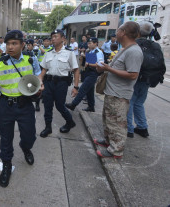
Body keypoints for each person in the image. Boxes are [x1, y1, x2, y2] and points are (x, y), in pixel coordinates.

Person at [0, 30, 43, 188]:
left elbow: (38, 75)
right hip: (6, 105)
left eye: (14, 43)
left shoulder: (30, 59)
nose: (10, 47)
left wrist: (40, 85)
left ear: (22, 45)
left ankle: (25, 147)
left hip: (25, 104)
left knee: (29, 135)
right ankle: (6, 165)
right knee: (5, 139)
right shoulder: (0, 62)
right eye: (8, 44)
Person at [94, 21, 143, 158]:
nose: (116, 33)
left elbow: (133, 75)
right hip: (112, 92)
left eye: (118, 30)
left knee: (117, 123)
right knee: (109, 120)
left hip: (119, 95)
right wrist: (105, 67)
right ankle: (109, 141)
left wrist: (108, 68)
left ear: (124, 33)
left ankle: (116, 150)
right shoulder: (124, 49)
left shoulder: (134, 51)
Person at [127, 21, 166, 138]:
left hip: (135, 78)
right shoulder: (156, 45)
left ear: (138, 32)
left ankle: (129, 129)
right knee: (139, 103)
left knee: (130, 102)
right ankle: (142, 127)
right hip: (148, 79)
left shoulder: (134, 44)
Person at [39, 29, 80, 138]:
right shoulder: (48, 53)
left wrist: (76, 87)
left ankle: (70, 121)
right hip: (48, 82)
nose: (53, 38)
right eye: (52, 36)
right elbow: (43, 70)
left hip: (61, 83)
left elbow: (76, 70)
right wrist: (39, 81)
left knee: (60, 106)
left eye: (56, 36)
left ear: (63, 39)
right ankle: (48, 127)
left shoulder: (69, 53)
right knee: (47, 105)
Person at [65, 37, 104, 112]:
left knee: (82, 89)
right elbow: (89, 62)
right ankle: (91, 107)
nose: (88, 45)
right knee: (90, 91)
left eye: (90, 43)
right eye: (88, 43)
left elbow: (100, 65)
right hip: (87, 72)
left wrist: (89, 64)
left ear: (96, 43)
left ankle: (73, 104)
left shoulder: (98, 52)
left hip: (93, 73)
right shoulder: (90, 51)